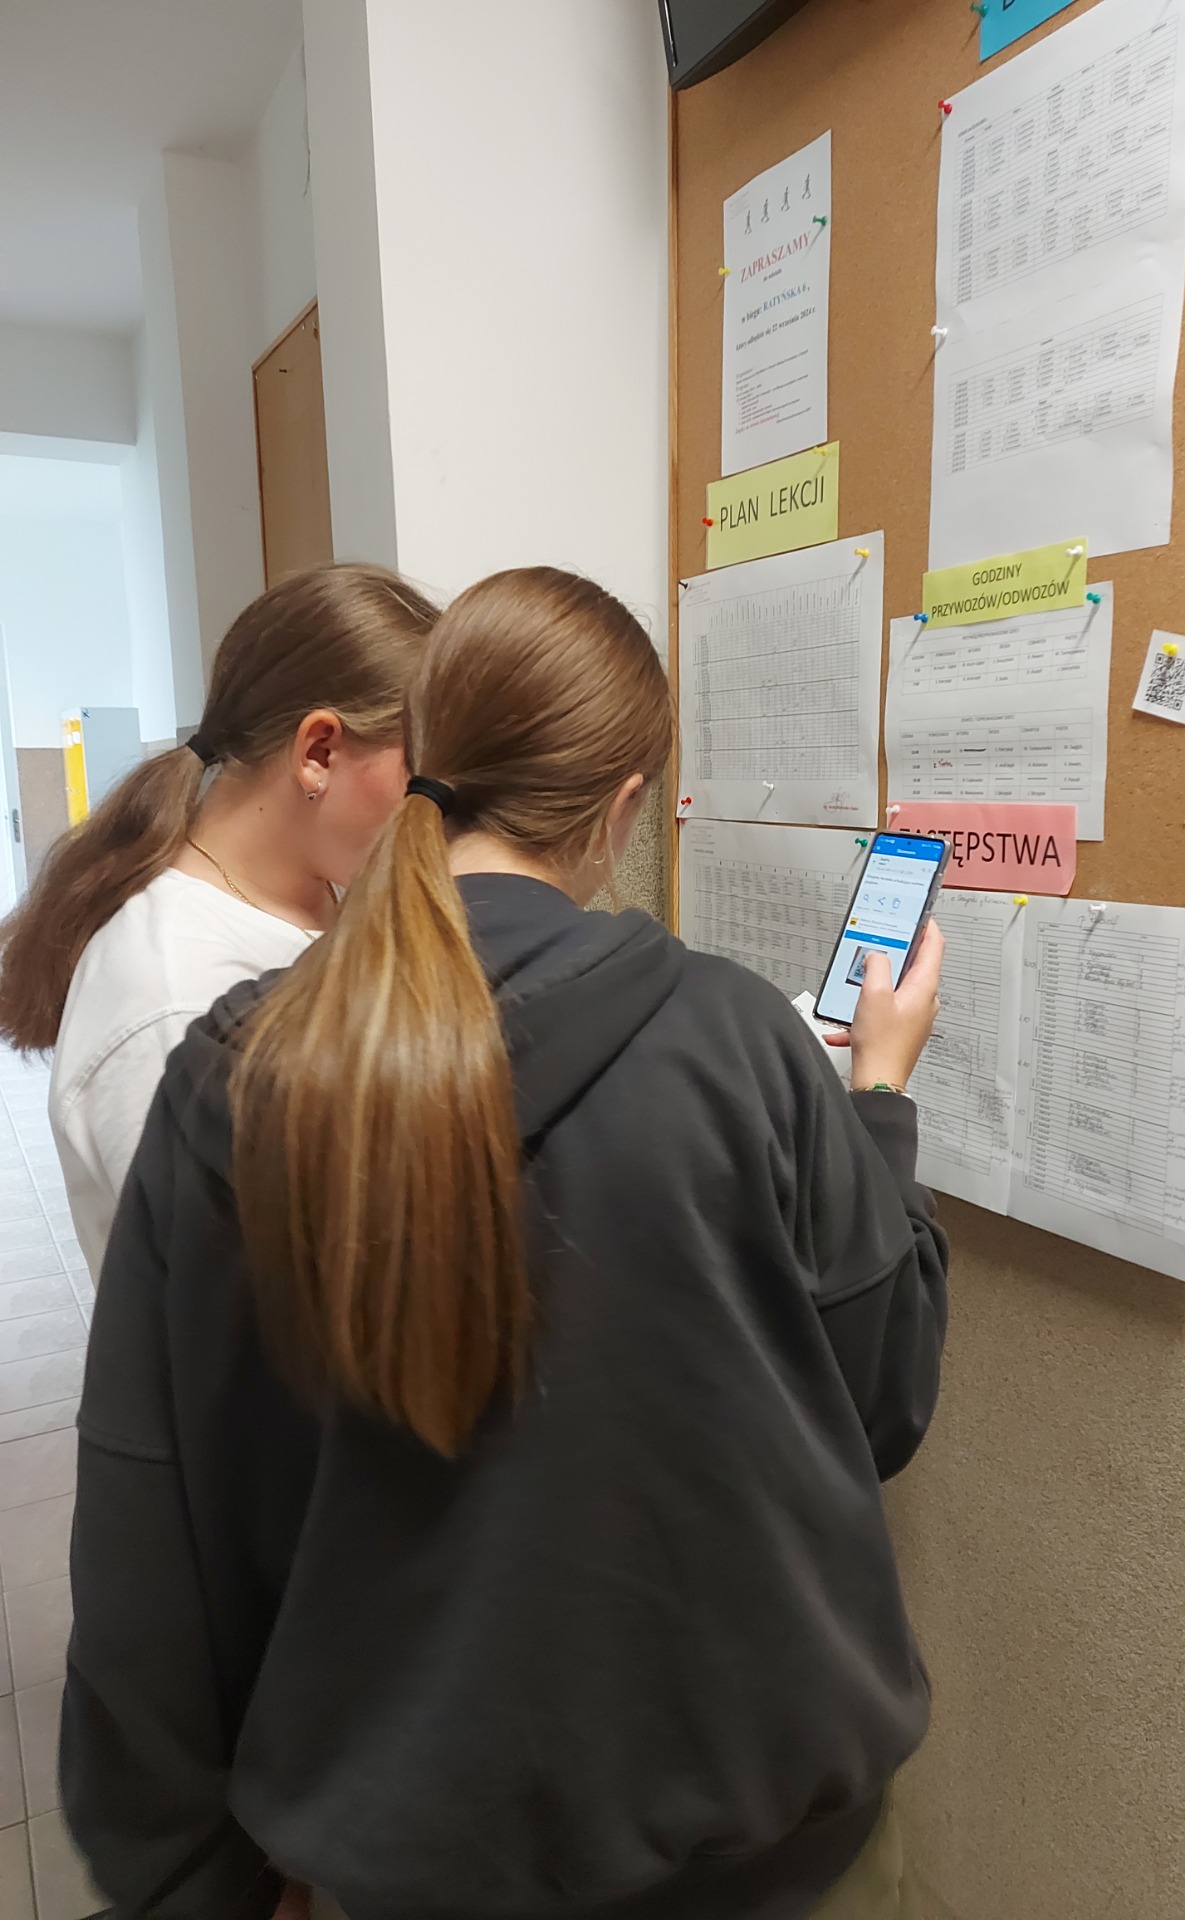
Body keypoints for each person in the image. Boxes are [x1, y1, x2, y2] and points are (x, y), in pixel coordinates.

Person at [61, 566, 950, 1920]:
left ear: (423, 755)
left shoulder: (240, 1076)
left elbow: (154, 1524)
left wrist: (195, 1878)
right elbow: (880, 1398)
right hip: (771, 1861)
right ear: (622, 806)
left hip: (406, 1862)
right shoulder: (740, 1040)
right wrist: (877, 1099)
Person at [0, 564, 439, 1278]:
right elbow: (243, 1304)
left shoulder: (321, 890)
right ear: (318, 753)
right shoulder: (174, 1002)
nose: (433, 806)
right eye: (419, 770)